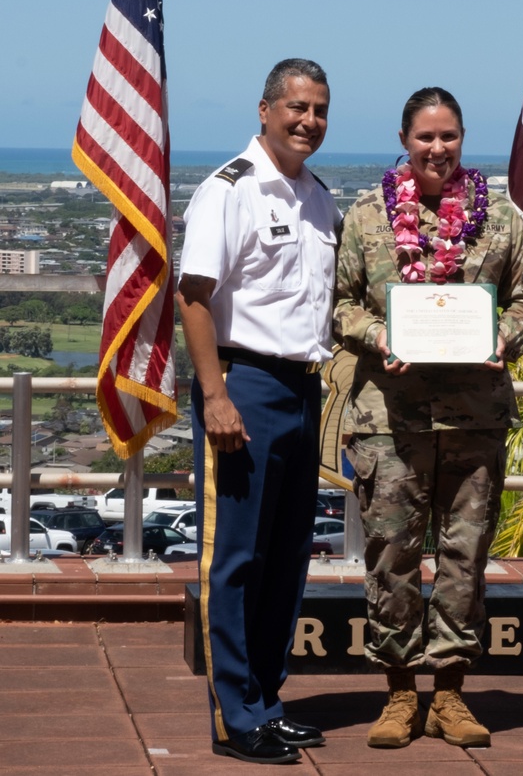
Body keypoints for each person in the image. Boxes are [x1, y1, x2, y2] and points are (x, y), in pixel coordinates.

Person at [334, 86, 523, 750]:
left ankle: (450, 691)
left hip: (474, 419)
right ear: (404, 139)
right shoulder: (367, 215)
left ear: (462, 139)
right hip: (388, 420)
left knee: (465, 556)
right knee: (392, 555)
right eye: (425, 136)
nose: (437, 148)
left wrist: (500, 337)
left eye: (449, 136)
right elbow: (339, 305)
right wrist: (381, 336)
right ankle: (400, 693)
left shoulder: (502, 218)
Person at [177, 58, 341, 765]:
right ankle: (234, 715)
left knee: (285, 559)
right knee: (237, 557)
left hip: (303, 388)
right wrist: (215, 394)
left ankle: (268, 700)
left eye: (320, 110)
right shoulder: (228, 191)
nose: (308, 121)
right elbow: (193, 296)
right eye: (296, 107)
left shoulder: (318, 197)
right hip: (243, 386)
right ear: (265, 109)